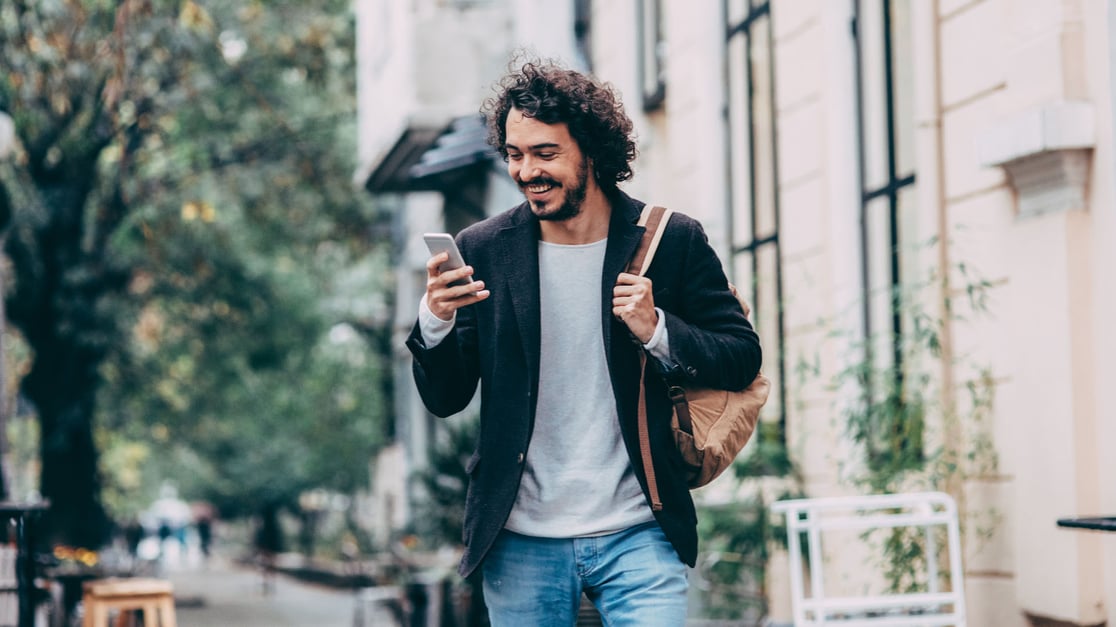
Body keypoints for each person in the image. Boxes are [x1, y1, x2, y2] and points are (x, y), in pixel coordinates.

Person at [406, 58, 762, 626]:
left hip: (640, 528)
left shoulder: (671, 240)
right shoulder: (484, 250)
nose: (527, 172)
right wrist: (435, 320)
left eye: (545, 153)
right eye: (515, 155)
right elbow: (446, 397)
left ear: (592, 151)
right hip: (520, 537)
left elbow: (741, 356)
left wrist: (658, 330)